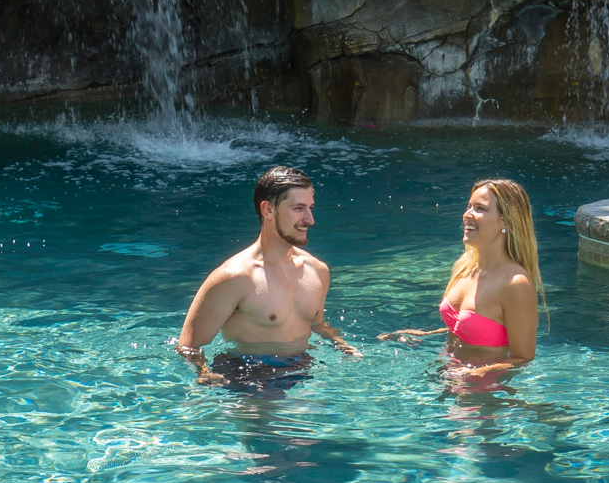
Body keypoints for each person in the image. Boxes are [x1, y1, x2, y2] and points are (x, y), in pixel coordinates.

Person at [176, 165, 359, 386]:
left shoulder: (317, 270)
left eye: (311, 208)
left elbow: (317, 325)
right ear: (268, 210)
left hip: (303, 366)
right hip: (250, 375)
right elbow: (188, 345)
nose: (310, 220)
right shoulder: (235, 277)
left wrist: (341, 343)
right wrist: (204, 373)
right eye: (299, 208)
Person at [381, 178, 540, 382]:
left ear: (507, 221)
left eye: (480, 208)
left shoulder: (515, 283)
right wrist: (424, 334)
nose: (467, 215)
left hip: (483, 396)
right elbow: (471, 329)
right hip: (446, 375)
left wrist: (476, 372)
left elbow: (524, 357)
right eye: (469, 206)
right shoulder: (466, 266)